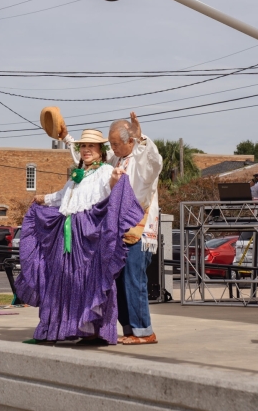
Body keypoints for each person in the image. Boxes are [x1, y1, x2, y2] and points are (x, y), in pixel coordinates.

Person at [14, 129, 144, 345]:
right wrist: (42, 199)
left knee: (87, 280)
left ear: (101, 151)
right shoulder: (77, 174)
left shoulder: (106, 171)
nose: (86, 150)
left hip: (89, 234)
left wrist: (114, 181)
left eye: (91, 146)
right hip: (68, 233)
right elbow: (62, 197)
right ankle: (60, 328)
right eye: (83, 146)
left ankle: (93, 330)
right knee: (64, 278)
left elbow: (109, 193)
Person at [61, 112, 163, 345]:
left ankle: (144, 332)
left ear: (130, 141)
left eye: (116, 143)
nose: (113, 147)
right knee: (118, 280)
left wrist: (143, 138)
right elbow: (89, 160)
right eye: (111, 144)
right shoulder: (115, 162)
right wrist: (68, 139)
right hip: (119, 230)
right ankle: (130, 329)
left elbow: (156, 161)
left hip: (140, 228)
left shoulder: (141, 158)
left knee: (133, 279)